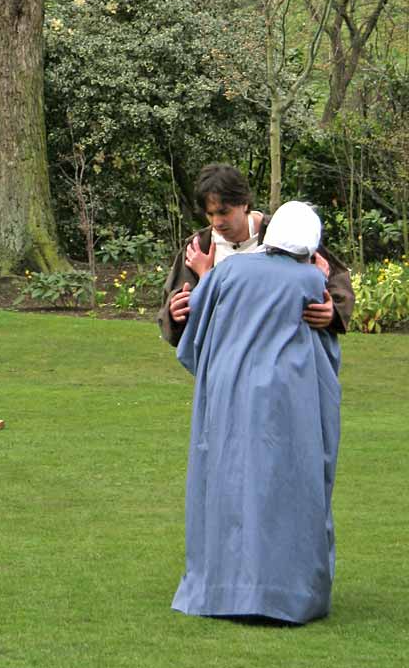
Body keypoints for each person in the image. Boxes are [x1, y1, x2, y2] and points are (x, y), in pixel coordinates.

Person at [171, 201, 342, 624]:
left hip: (228, 393)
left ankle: (223, 590)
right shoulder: (308, 279)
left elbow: (197, 328)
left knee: (227, 483)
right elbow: (324, 348)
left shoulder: (230, 271)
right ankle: (289, 593)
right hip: (288, 396)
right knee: (289, 487)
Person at [157, 164, 353, 346]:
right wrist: (174, 314)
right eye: (210, 214)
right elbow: (175, 305)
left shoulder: (285, 234)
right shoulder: (199, 247)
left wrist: (331, 312)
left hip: (283, 354)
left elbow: (336, 278)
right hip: (221, 359)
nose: (217, 222)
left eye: (223, 212)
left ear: (244, 202)